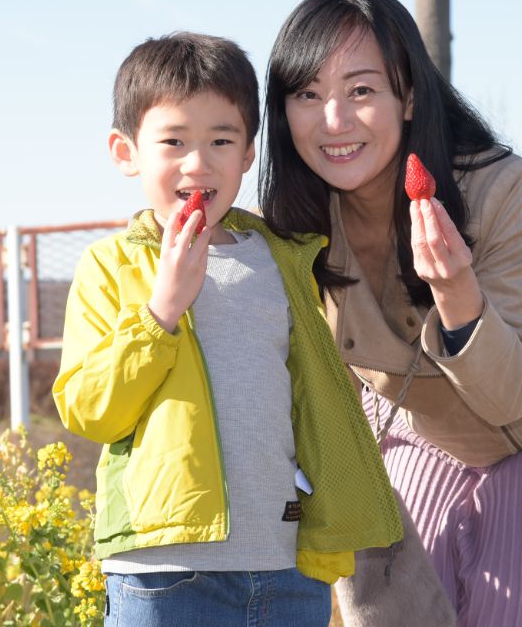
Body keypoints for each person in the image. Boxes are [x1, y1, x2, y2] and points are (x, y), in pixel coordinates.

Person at [260, 0, 522, 626]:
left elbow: (514, 397)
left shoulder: (502, 188)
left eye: (360, 91)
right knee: (406, 602)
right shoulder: (300, 224)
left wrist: (459, 295)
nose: (334, 122)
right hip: (411, 405)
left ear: (408, 95)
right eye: (308, 94)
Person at [52, 32, 403, 627]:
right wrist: (160, 313)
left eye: (221, 140)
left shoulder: (283, 258)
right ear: (125, 151)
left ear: (247, 153)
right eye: (173, 141)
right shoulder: (111, 266)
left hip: (286, 567)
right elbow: (91, 411)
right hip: (163, 571)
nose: (198, 162)